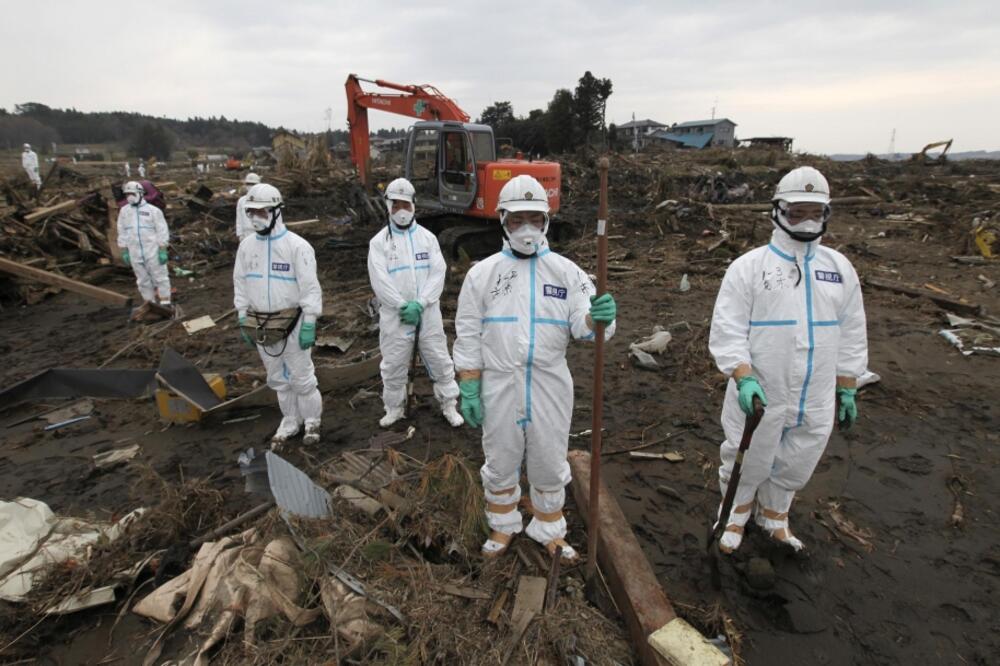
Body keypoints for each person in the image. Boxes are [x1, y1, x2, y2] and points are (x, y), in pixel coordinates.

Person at [453, 175, 617, 562]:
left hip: (549, 383)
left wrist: (601, 318)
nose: (526, 229)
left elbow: (584, 325)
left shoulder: (568, 273)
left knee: (548, 457)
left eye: (534, 219)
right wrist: (470, 385)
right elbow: (467, 331)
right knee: (501, 456)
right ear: (502, 221)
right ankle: (502, 522)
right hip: (499, 383)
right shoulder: (483, 274)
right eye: (516, 220)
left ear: (546, 222)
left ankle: (549, 525)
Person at [708, 166, 868, 553]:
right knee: (750, 455)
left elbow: (852, 330)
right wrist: (742, 376)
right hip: (764, 388)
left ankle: (774, 515)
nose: (807, 220)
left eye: (815, 211)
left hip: (814, 393)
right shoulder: (749, 267)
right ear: (778, 211)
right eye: (797, 212)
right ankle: (735, 515)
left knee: (800, 455)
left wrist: (847, 385)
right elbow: (728, 330)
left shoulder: (838, 269)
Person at [367, 178, 464, 428]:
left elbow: (438, 272)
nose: (401, 211)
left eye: (405, 205)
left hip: (427, 315)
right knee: (393, 365)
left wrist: (420, 303)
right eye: (395, 205)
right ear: (388, 205)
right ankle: (394, 408)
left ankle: (449, 405)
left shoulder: (427, 238)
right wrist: (401, 306)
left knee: (440, 360)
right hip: (395, 318)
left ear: (413, 206)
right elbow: (380, 280)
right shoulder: (379, 243)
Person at [233, 183, 324, 449]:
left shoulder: (297, 247)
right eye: (251, 212)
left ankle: (312, 421)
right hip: (261, 323)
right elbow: (240, 282)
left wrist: (309, 321)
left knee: (302, 377)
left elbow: (310, 288)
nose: (256, 218)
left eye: (262, 211)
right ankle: (290, 420)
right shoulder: (247, 247)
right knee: (277, 378)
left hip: (292, 323)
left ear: (276, 211)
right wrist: (242, 317)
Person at [116, 181, 172, 306]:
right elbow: (122, 231)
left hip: (152, 251)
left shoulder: (153, 211)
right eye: (127, 194)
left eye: (132, 193)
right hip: (134, 252)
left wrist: (162, 249)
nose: (129, 196)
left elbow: (162, 231)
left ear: (140, 193)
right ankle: (149, 304)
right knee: (142, 280)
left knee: (160, 277)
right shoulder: (124, 212)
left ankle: (165, 302)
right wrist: (124, 250)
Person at [235, 172, 261, 241]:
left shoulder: (263, 199)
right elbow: (239, 219)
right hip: (246, 233)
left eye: (253, 184)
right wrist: (240, 234)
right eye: (248, 184)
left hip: (260, 232)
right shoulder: (241, 200)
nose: (250, 186)